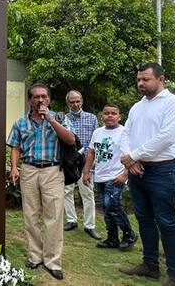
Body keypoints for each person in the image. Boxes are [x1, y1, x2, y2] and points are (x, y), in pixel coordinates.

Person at [119, 63, 175, 286]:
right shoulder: (137, 107)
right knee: (144, 219)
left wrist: (134, 156)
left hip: (162, 169)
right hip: (137, 170)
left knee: (166, 222)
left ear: (161, 78)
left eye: (145, 79)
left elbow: (166, 137)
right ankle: (150, 266)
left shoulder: (173, 103)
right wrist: (130, 159)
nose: (140, 84)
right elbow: (125, 133)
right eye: (138, 79)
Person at [6, 83, 76, 280]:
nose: (40, 100)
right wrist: (13, 167)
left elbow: (70, 140)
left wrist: (51, 119)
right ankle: (35, 256)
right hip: (28, 171)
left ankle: (52, 261)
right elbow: (15, 147)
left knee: (54, 217)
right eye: (36, 97)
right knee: (31, 215)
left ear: (49, 99)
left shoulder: (60, 119)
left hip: (53, 171)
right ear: (30, 100)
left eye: (44, 96)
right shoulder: (20, 123)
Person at [82, 104, 136, 251]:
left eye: (113, 113)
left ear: (119, 116)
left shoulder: (125, 132)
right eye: (107, 113)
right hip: (99, 175)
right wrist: (86, 171)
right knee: (106, 208)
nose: (110, 116)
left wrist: (125, 174)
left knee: (113, 205)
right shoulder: (97, 132)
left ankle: (128, 234)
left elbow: (132, 155)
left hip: (116, 175)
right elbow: (91, 152)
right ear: (102, 116)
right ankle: (112, 238)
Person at [62, 90, 100, 239]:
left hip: (85, 161)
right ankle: (71, 220)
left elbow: (95, 140)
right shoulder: (63, 119)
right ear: (68, 103)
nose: (75, 104)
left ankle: (90, 226)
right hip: (68, 162)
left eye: (77, 101)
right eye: (72, 102)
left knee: (88, 193)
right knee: (67, 191)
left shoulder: (92, 118)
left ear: (82, 101)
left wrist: (90, 163)